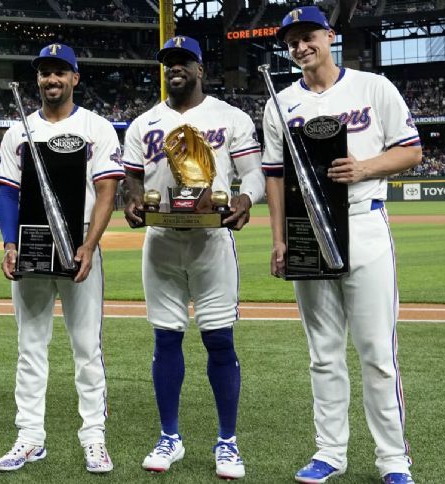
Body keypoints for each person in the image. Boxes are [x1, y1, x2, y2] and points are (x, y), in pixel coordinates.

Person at [262, 7, 421, 484]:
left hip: (363, 222)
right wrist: (280, 238)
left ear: (329, 36)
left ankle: (393, 460)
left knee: (376, 352)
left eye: (308, 36)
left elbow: (412, 150)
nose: (300, 46)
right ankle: (330, 452)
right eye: (291, 40)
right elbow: (274, 176)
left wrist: (365, 168)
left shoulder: (374, 87)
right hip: (307, 228)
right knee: (323, 353)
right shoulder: (280, 101)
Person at [122, 36, 264, 480]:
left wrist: (244, 200)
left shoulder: (230, 116)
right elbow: (132, 177)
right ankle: (170, 437)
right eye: (169, 63)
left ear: (201, 68)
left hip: (212, 241)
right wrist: (130, 201)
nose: (175, 69)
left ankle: (227, 441)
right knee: (166, 339)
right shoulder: (144, 122)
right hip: (162, 239)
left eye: (184, 62)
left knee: (218, 339)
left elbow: (254, 173)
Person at [0, 43, 123, 474]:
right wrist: (9, 243)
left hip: (78, 246)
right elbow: (8, 193)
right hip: (31, 248)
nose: (52, 80)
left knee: (86, 347)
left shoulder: (96, 127)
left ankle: (94, 438)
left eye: (60, 72)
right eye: (45, 73)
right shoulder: (19, 131)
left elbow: (107, 191)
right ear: (38, 79)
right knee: (30, 347)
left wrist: (90, 244)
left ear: (75, 78)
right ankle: (30, 438)